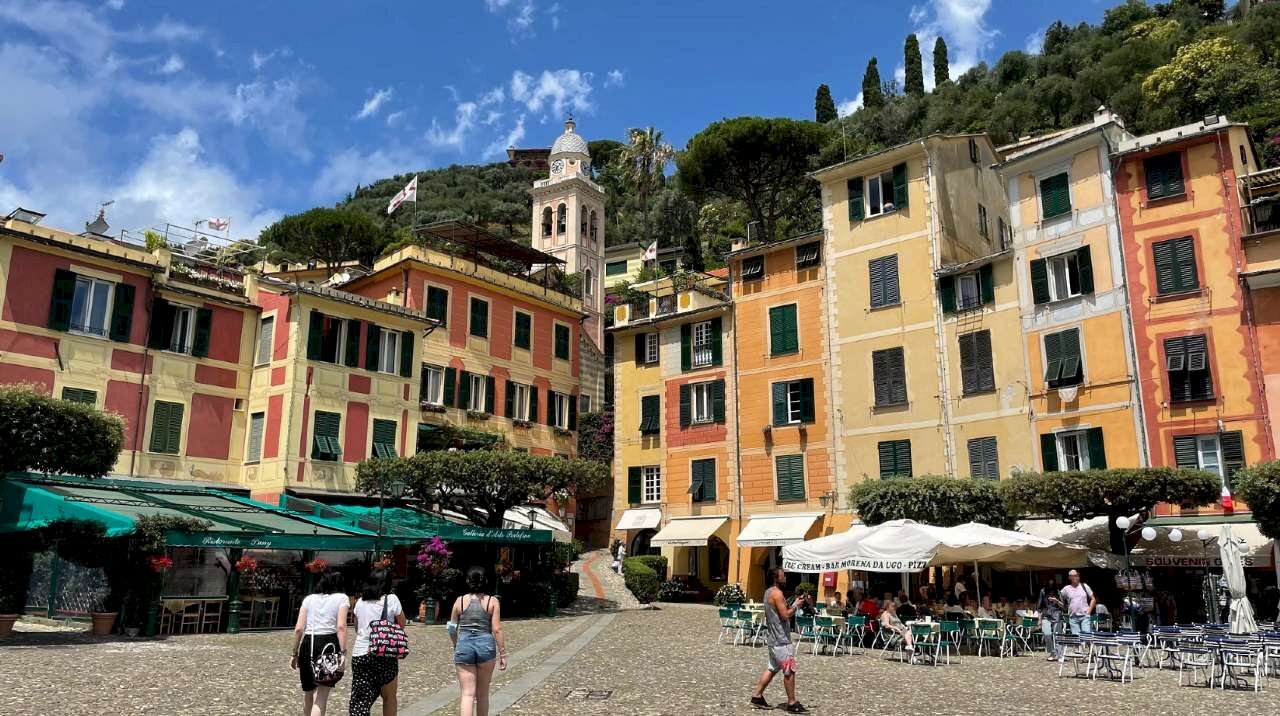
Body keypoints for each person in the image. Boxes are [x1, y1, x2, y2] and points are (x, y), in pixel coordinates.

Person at [450, 567, 507, 716]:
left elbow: (451, 628)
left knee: (467, 694)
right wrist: (502, 654)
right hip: (486, 647)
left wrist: (456, 644)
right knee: (483, 694)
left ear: (468, 581)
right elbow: (497, 629)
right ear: (485, 581)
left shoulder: (460, 601)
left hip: (464, 645)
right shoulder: (492, 601)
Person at [291, 571, 349, 716]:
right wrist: (343, 653)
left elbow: (299, 629)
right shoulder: (342, 598)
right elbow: (341, 627)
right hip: (328, 644)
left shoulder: (309, 599)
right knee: (321, 696)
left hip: (308, 643)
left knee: (308, 692)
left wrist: (294, 653)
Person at [751, 568, 808, 713]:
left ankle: (757, 696)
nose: (786, 578)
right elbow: (785, 615)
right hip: (781, 640)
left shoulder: (768, 592)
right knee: (789, 671)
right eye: (783, 576)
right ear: (776, 578)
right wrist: (796, 605)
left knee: (772, 668)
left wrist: (792, 602)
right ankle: (791, 703)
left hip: (772, 639)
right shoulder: (777, 593)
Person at [349, 570, 405, 716]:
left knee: (360, 700)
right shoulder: (391, 599)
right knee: (389, 697)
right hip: (384, 654)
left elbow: (357, 627)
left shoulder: (360, 602)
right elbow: (402, 624)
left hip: (361, 654)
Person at [1059, 569, 1096, 636]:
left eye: (1076, 575)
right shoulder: (1066, 589)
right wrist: (1056, 601)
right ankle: (1081, 646)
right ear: (1069, 577)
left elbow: (1093, 599)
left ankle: (1087, 646)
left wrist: (1089, 611)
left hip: (1084, 616)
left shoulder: (1084, 586)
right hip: (1073, 618)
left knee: (1086, 637)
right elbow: (1062, 602)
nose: (1074, 577)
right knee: (1077, 639)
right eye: (1072, 576)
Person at [1036, 579, 1063, 660]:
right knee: (1047, 634)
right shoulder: (1043, 591)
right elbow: (1039, 607)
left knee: (1057, 635)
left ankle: (1058, 654)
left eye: (1052, 583)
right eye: (1049, 583)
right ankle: (1052, 653)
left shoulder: (1058, 592)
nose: (1051, 585)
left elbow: (1063, 606)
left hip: (1057, 615)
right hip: (1046, 615)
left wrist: (1057, 601)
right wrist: (1039, 620)